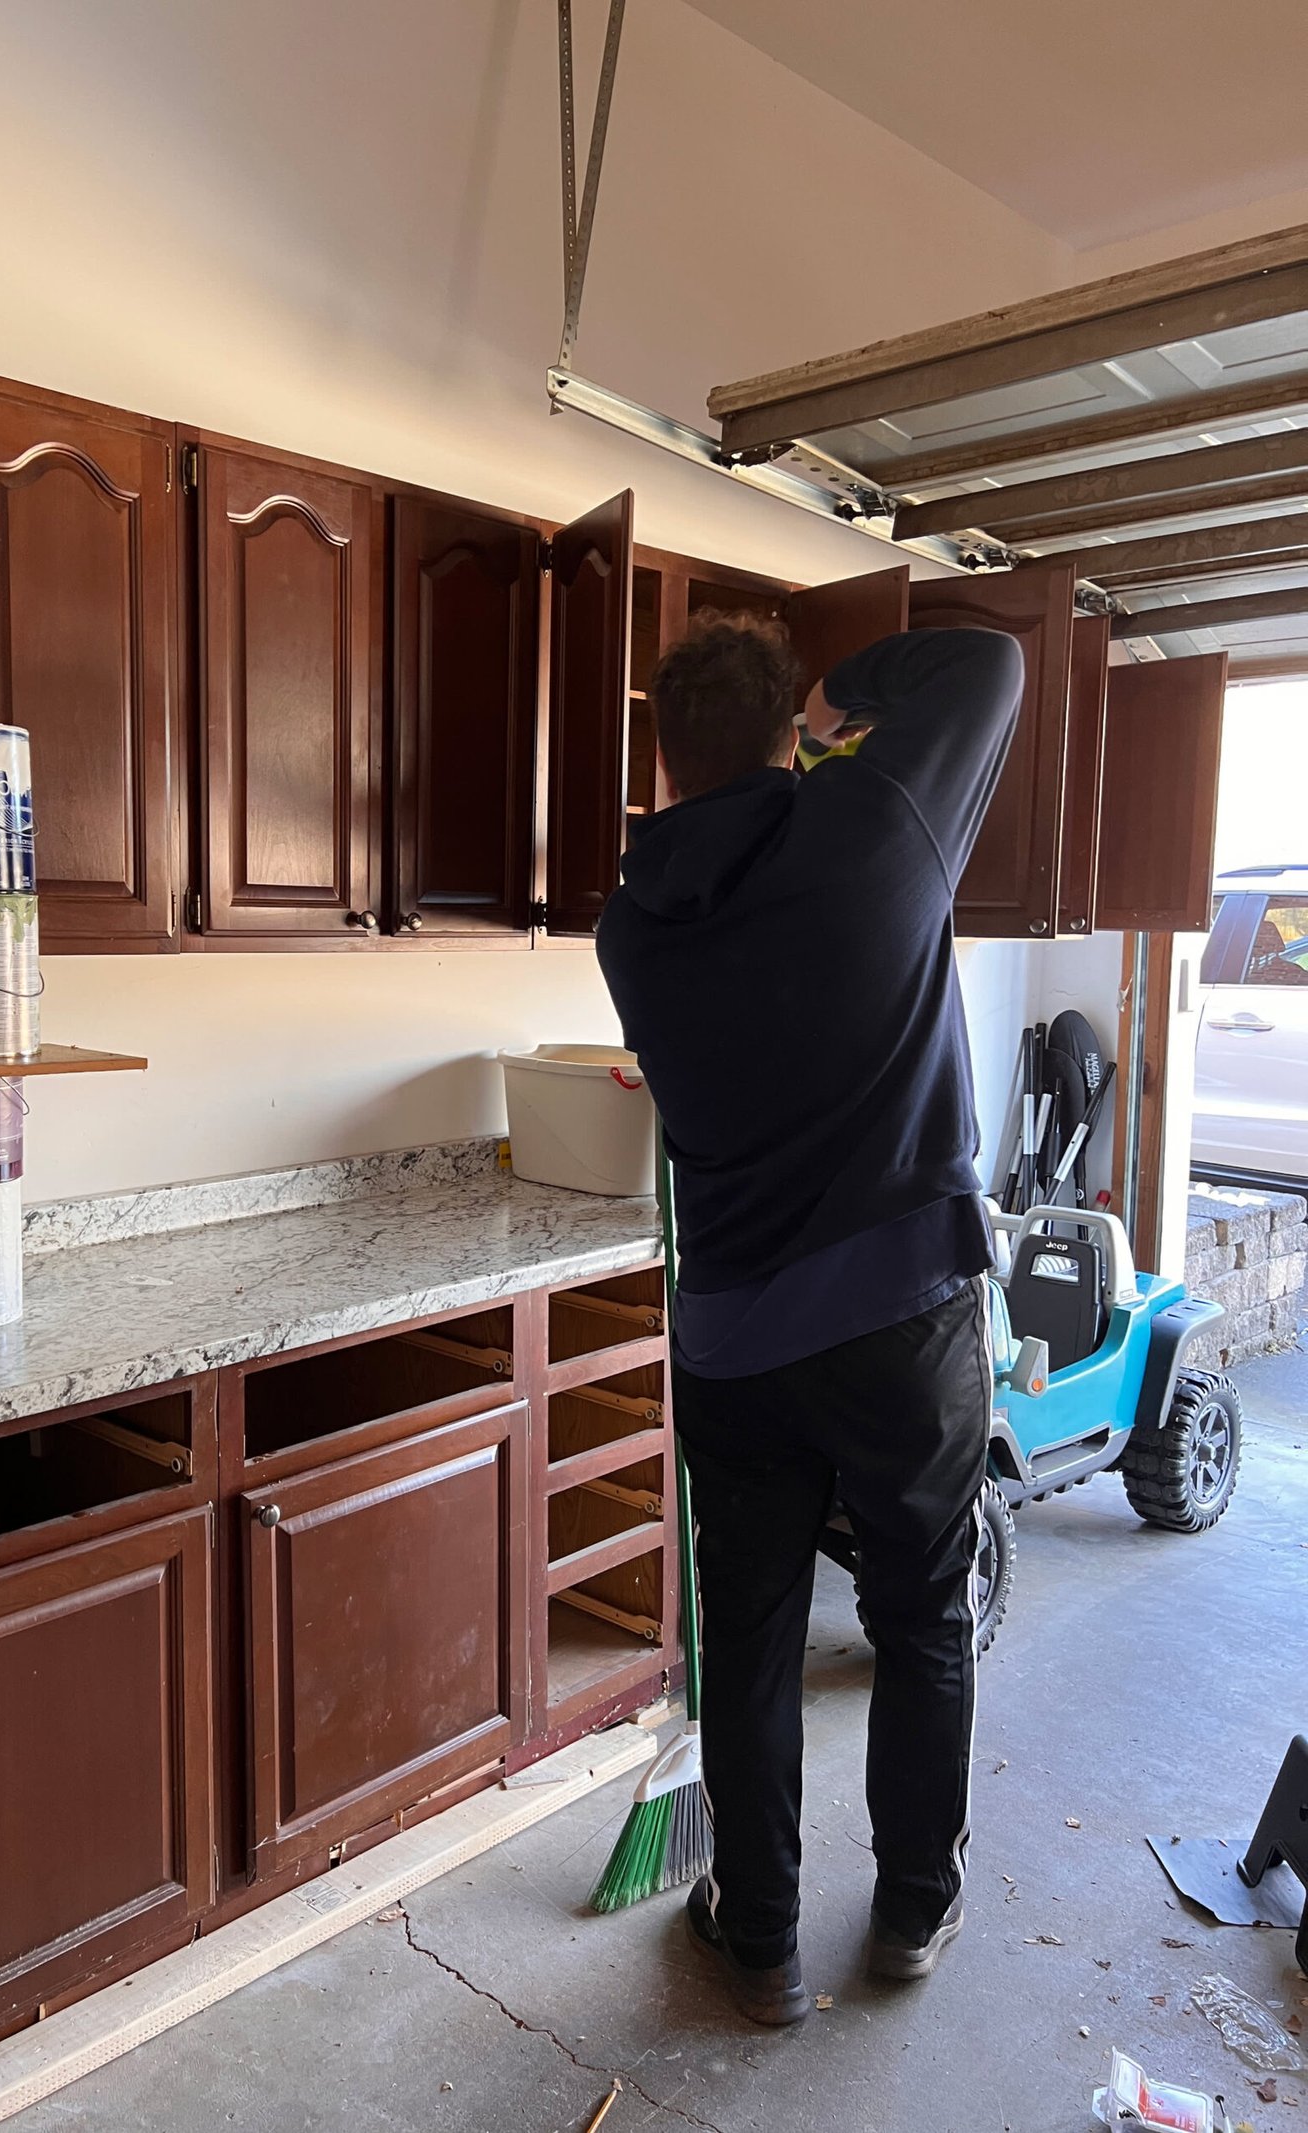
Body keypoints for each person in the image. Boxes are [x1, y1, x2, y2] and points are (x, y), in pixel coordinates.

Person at [596, 613, 1024, 2026]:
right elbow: (989, 667)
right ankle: (912, 1908)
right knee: (917, 1610)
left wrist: (790, 730)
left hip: (733, 1338)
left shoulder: (629, 924)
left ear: (660, 753)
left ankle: (760, 1934)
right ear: (793, 730)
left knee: (758, 1626)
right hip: (904, 1316)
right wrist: (843, 694)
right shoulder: (875, 827)